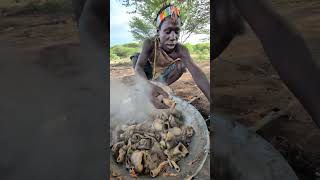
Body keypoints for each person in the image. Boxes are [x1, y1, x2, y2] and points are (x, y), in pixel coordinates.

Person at [133, 3, 210, 109]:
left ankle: (160, 87)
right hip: (146, 73)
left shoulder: (181, 50)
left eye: (177, 31)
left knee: (181, 65)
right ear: (158, 32)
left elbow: (197, 73)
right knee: (136, 58)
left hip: (161, 76)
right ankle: (145, 87)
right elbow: (139, 67)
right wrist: (146, 86)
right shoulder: (150, 43)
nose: (173, 37)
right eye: (168, 31)